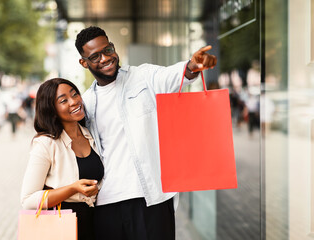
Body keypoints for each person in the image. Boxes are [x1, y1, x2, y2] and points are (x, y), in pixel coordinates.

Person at [75, 26, 217, 240]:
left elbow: (176, 75)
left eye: (108, 49)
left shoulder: (143, 76)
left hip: (151, 198)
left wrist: (192, 66)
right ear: (84, 63)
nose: (105, 58)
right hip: (106, 203)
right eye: (95, 56)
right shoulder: (86, 102)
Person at [20, 78, 104, 240]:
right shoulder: (46, 143)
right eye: (63, 100)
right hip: (61, 223)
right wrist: (73, 188)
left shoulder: (90, 134)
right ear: (51, 109)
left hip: (95, 221)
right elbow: (28, 200)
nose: (74, 102)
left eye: (75, 94)